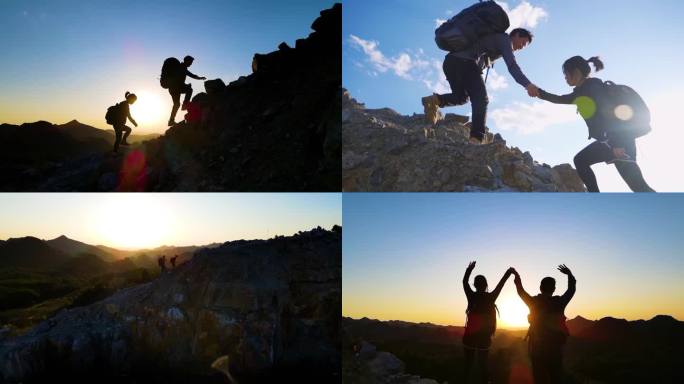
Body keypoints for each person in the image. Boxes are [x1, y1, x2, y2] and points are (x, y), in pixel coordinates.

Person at [536, 56, 655, 192]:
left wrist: (618, 143)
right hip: (611, 141)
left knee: (639, 187)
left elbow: (612, 113)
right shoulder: (582, 92)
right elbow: (559, 99)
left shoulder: (593, 89)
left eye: (566, 74)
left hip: (619, 142)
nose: (565, 78)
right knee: (581, 161)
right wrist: (538, 92)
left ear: (576, 72)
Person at [422, 28, 539, 144]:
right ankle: (476, 139)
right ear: (516, 35)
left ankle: (433, 100)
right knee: (482, 100)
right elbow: (512, 66)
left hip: (450, 62)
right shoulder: (504, 39)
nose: (522, 47)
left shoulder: (494, 41)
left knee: (461, 97)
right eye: (523, 42)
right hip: (466, 62)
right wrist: (528, 85)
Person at [512, 265, 576, 384]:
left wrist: (516, 277)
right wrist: (569, 274)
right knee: (556, 378)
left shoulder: (533, 302)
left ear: (540, 287)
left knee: (540, 379)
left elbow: (520, 291)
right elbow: (571, 290)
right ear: (554, 289)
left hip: (537, 350)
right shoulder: (559, 303)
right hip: (555, 349)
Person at [462, 261, 514, 383]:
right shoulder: (491, 297)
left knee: (468, 365)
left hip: (469, 336)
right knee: (483, 366)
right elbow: (501, 284)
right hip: (484, 337)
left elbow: (464, 282)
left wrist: (469, 269)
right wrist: (508, 272)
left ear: (474, 285)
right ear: (486, 284)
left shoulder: (471, 296)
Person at [165, 55, 207, 126]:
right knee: (189, 89)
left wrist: (185, 85)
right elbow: (191, 75)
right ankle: (185, 104)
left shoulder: (180, 67)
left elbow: (180, 78)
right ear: (187, 61)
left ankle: (171, 120)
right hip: (176, 88)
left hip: (172, 89)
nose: (191, 64)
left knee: (176, 104)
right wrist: (199, 78)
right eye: (190, 62)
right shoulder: (182, 68)